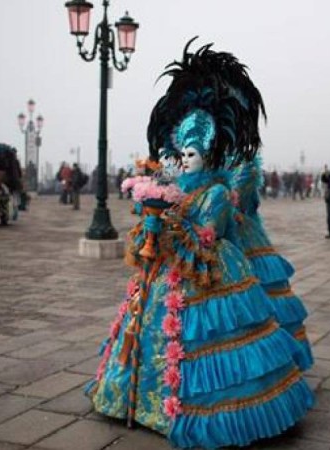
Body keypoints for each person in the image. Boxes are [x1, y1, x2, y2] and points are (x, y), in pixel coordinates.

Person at [87, 40, 314, 449]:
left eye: (193, 153)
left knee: (211, 337)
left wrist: (174, 223)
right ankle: (137, 399)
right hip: (167, 269)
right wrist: (152, 218)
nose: (186, 159)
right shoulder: (176, 185)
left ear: (207, 154)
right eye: (183, 153)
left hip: (208, 269)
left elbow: (210, 233)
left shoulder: (219, 191)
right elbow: (161, 228)